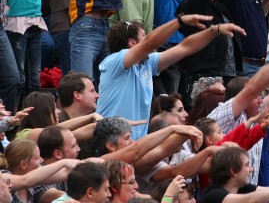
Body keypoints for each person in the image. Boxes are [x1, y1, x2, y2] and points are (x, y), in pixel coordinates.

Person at [96, 15, 245, 140]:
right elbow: (150, 43)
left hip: (134, 143)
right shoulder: (115, 61)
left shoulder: (147, 63)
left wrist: (214, 30)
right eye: (144, 35)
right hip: (110, 142)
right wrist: (179, 21)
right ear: (132, 42)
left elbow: (185, 47)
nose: (148, 37)